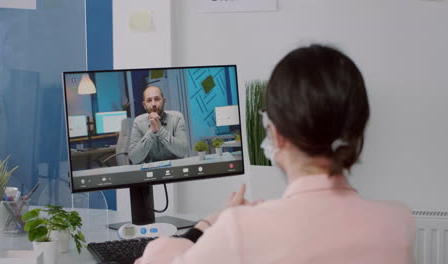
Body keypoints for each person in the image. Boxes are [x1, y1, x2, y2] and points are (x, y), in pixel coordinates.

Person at [134, 45, 415, 264]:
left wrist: (210, 223)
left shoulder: (241, 228)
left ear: (276, 134)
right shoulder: (397, 224)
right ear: (358, 129)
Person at [128, 86, 188, 164]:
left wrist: (161, 131)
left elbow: (183, 151)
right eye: (149, 100)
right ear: (144, 105)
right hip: (150, 171)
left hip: (175, 168)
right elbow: (134, 158)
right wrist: (151, 132)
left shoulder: (177, 118)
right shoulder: (138, 122)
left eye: (157, 99)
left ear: (164, 100)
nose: (153, 104)